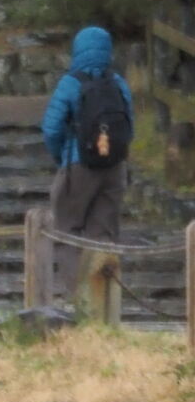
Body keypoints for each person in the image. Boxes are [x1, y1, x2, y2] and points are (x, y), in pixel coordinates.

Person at [40, 24, 134, 293]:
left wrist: (62, 158)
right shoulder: (118, 83)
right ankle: (104, 299)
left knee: (67, 232)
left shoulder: (71, 83)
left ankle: (77, 297)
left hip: (78, 165)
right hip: (114, 167)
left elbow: (51, 129)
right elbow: (129, 127)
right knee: (104, 235)